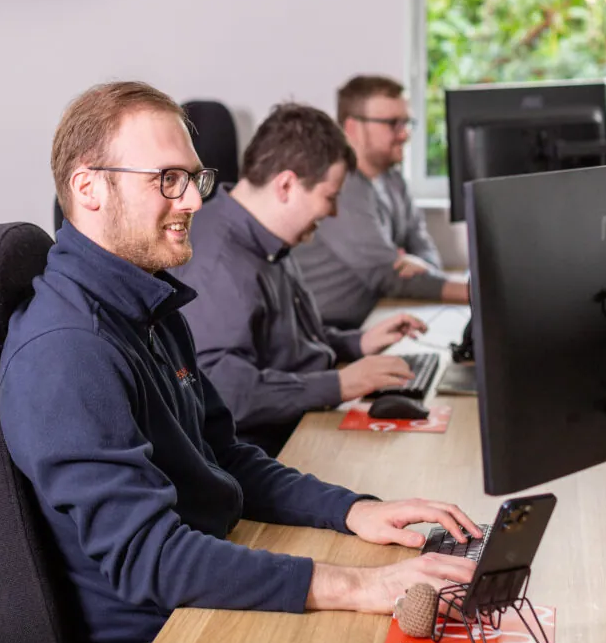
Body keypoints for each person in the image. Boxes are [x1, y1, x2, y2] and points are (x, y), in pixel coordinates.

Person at [0, 81, 481, 643]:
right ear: (88, 187)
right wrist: (356, 586)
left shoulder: (148, 303)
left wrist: (353, 511)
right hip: (171, 635)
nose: (195, 201)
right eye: (167, 180)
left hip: (215, 576)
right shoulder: (67, 352)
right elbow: (150, 559)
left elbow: (224, 458)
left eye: (193, 179)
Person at [171, 103, 429, 457]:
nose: (333, 213)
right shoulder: (219, 263)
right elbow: (225, 392)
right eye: (330, 197)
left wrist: (357, 343)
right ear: (287, 184)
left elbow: (288, 345)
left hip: (300, 423)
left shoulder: (270, 239)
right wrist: (339, 384)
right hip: (264, 451)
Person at [292, 75, 470, 329]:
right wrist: (475, 293)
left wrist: (419, 263)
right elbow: (387, 275)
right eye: (393, 124)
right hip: (331, 335)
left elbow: (425, 250)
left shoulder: (394, 180)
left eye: (406, 122)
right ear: (353, 128)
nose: (404, 134)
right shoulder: (340, 187)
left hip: (375, 319)